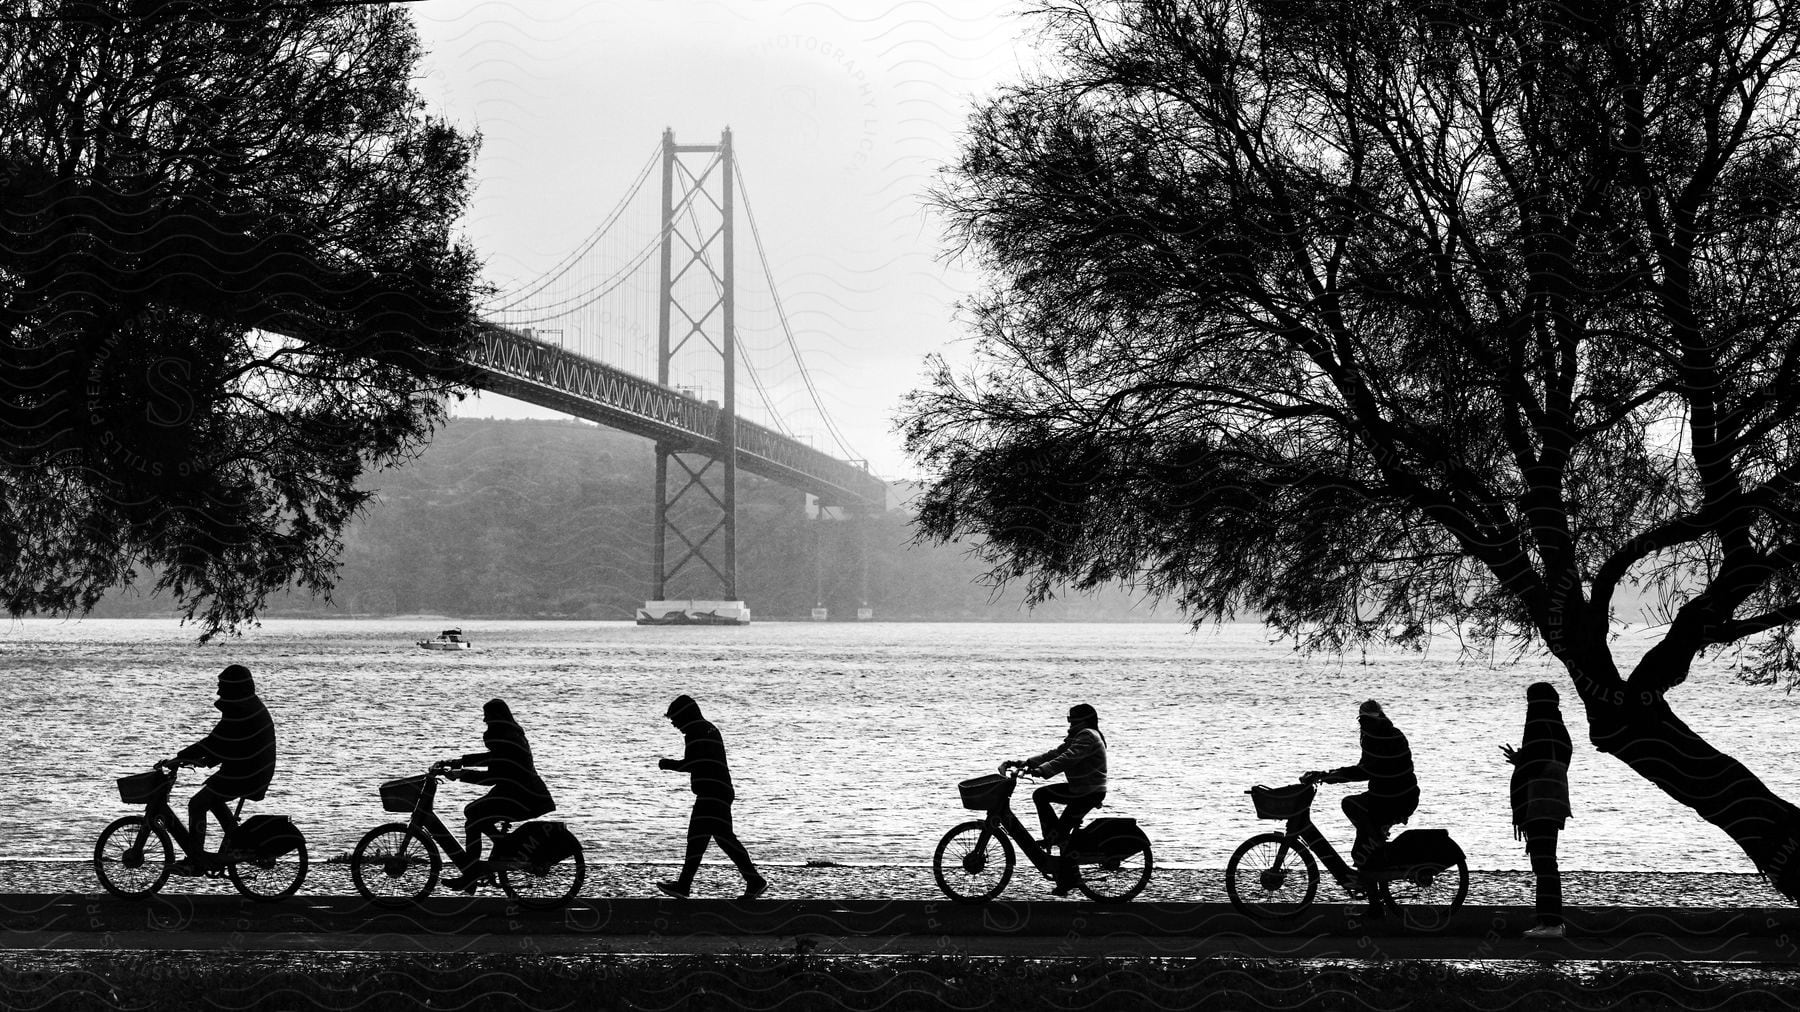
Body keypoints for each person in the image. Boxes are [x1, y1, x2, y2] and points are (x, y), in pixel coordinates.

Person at [656, 694, 767, 901]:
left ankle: (753, 880)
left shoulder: (695, 732)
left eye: (675, 720)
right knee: (711, 839)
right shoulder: (707, 728)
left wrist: (668, 764)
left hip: (711, 794)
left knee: (706, 839)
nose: (674, 725)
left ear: (684, 716)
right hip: (719, 791)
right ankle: (686, 884)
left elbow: (693, 763)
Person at [440, 698, 556, 892]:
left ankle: (473, 873)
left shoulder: (505, 739)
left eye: (487, 717)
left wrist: (460, 775)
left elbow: (492, 776)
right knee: (473, 815)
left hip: (522, 796)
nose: (484, 720)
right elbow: (492, 759)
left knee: (473, 814)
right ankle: (488, 860)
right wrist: (458, 762)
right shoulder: (510, 736)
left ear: (496, 718)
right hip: (520, 792)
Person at [171, 663, 277, 873]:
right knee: (213, 798)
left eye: (222, 686)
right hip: (246, 770)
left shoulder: (241, 712)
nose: (219, 691)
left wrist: (184, 756)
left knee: (197, 804)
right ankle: (236, 840)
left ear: (233, 688)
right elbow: (221, 742)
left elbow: (216, 741)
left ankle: (196, 858)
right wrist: (196, 757)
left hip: (246, 773)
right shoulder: (246, 707)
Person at [1303, 699, 1420, 879]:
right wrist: (1330, 774)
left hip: (1391, 798)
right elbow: (1366, 768)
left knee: (1350, 804)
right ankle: (1374, 844)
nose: (1364, 724)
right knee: (1362, 849)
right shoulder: (1389, 734)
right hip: (1398, 795)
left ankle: (1377, 842)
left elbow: (1365, 770)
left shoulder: (1379, 739)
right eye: (1362, 721)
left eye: (1367, 720)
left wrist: (1330, 776)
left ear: (1377, 720)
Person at [1503, 681, 1572, 939]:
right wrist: (1523, 759)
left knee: (1544, 863)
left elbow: (1536, 763)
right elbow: (1551, 758)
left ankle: (1552, 923)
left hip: (1539, 801)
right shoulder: (1558, 728)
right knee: (1543, 862)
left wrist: (1522, 761)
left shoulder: (1537, 727)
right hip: (1552, 801)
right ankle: (1546, 921)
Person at [1016, 703, 1108, 896]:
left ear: (1083, 720)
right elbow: (1056, 753)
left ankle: (1066, 877)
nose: (1070, 722)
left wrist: (1044, 770)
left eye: (1072, 718)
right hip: (1080, 789)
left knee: (1056, 821)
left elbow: (1068, 758)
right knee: (1042, 797)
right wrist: (1028, 763)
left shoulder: (1087, 736)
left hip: (1087, 791)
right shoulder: (1080, 735)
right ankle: (1054, 837)